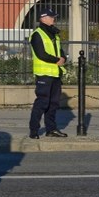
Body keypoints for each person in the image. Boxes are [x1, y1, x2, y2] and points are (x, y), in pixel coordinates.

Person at [28, 9, 68, 139]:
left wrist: (63, 58)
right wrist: (57, 60)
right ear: (43, 18)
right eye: (51, 17)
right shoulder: (37, 34)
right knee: (42, 103)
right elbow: (41, 54)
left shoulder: (54, 34)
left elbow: (60, 50)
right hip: (44, 74)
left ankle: (51, 129)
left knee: (53, 104)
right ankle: (33, 131)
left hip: (55, 74)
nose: (53, 19)